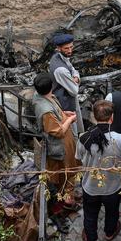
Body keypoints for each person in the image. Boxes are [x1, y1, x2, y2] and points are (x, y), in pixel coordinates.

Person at [77, 100, 121, 241]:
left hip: (90, 186)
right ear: (112, 117)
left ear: (94, 117)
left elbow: (78, 159)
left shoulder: (84, 138)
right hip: (113, 186)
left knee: (90, 214)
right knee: (112, 211)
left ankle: (91, 240)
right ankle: (109, 232)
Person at [32, 73, 80, 208]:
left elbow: (55, 114)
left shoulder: (39, 97)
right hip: (61, 144)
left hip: (65, 140)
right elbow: (58, 131)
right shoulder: (46, 111)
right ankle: (67, 200)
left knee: (68, 168)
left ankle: (66, 193)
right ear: (51, 87)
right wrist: (70, 120)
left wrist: (64, 114)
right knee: (67, 169)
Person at [49, 33, 84, 132]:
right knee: (71, 131)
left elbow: (73, 70)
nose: (70, 51)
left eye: (71, 47)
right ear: (58, 48)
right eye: (66, 48)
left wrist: (75, 77)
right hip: (64, 104)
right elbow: (74, 90)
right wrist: (75, 80)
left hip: (67, 99)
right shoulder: (60, 69)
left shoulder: (60, 57)